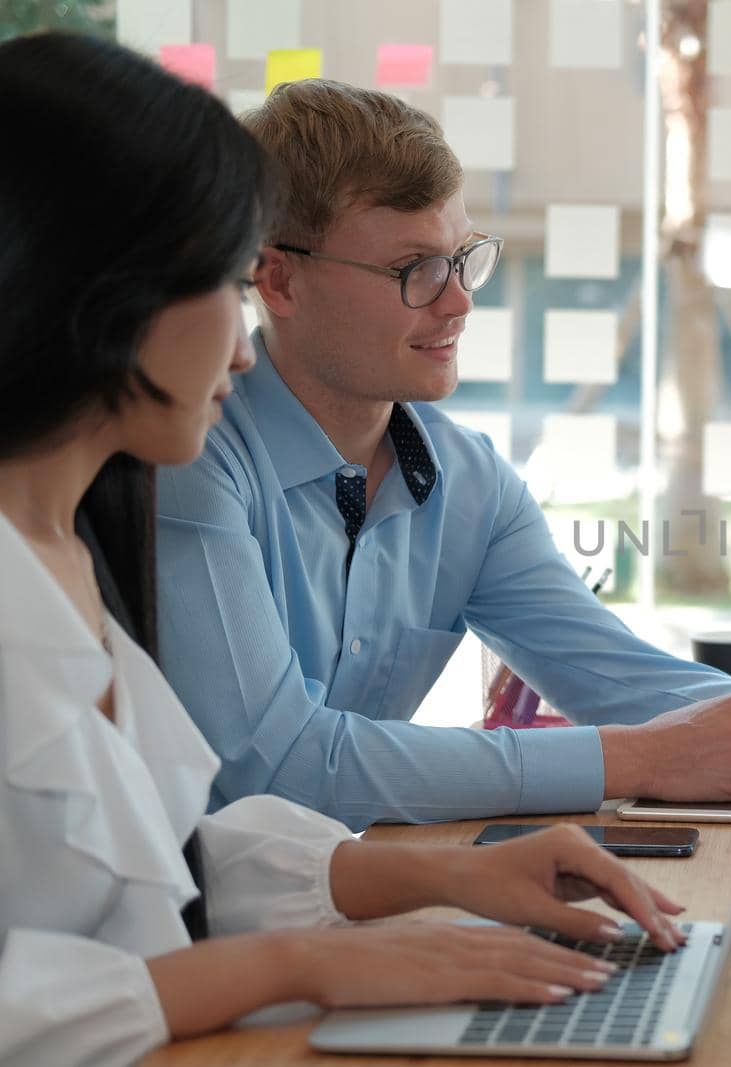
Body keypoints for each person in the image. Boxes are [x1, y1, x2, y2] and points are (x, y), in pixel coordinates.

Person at [0, 33, 685, 1067]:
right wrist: (298, 964)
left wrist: (438, 878)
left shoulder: (69, 550)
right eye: (225, 283)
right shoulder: (134, 514)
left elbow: (163, 868)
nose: (242, 343)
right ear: (100, 297)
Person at [155, 77, 731, 829]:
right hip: (181, 952)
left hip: (343, 902)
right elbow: (276, 765)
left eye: (463, 258)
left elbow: (636, 686)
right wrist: (636, 761)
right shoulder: (191, 464)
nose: (459, 302)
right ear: (278, 278)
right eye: (413, 270)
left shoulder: (468, 484)